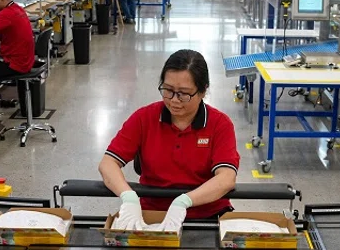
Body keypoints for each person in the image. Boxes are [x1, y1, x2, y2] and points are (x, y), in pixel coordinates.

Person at [99, 49, 239, 231]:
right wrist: (129, 196)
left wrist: (185, 201)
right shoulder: (144, 118)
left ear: (203, 90)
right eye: (168, 90)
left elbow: (226, 178)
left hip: (207, 217)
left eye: (184, 93)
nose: (174, 100)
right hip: (151, 215)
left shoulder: (220, 124)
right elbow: (108, 163)